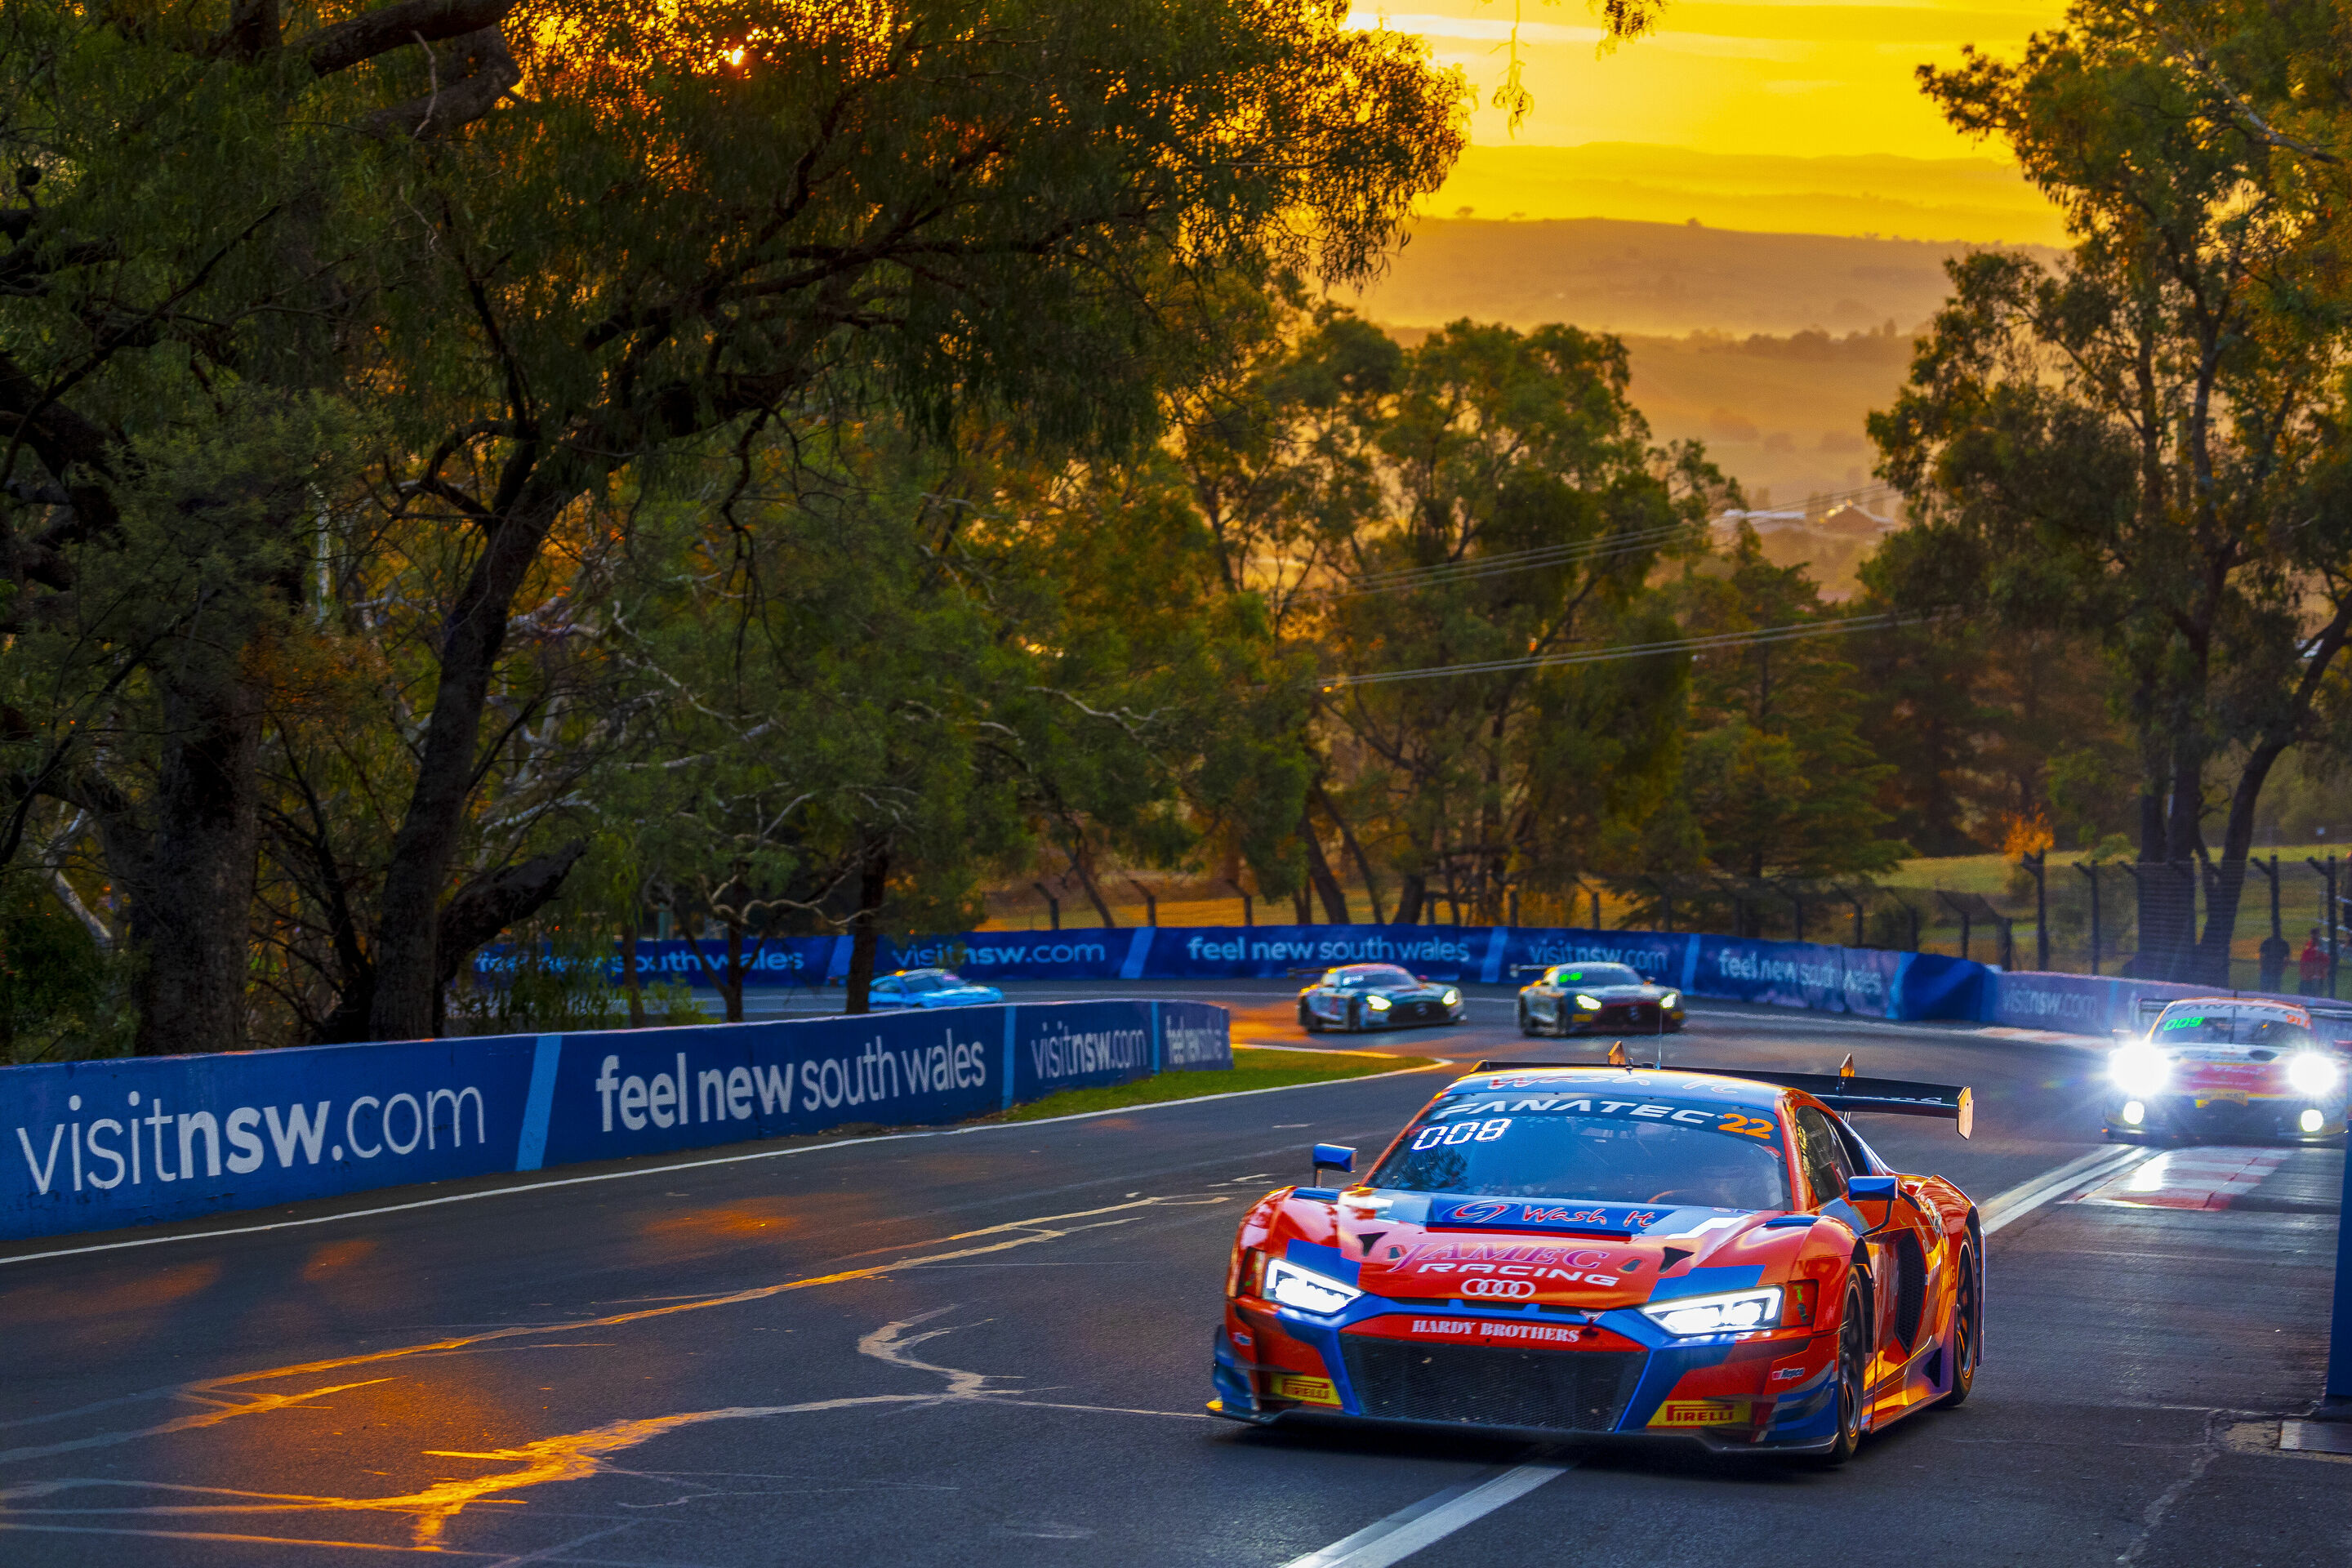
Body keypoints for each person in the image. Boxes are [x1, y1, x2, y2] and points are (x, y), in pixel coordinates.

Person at [2299, 928, 2331, 996]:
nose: (2314, 936)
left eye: (2316, 934)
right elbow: (2304, 959)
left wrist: (2323, 973)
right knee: (2304, 994)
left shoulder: (2323, 945)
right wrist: (2303, 973)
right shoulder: (2309, 944)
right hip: (2307, 975)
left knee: (2317, 995)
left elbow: (2326, 960)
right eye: (2312, 935)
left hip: (2318, 975)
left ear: (2319, 935)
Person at [2259, 929, 2292, 993]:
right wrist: (2284, 968)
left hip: (2273, 969)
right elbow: (2261, 955)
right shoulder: (2283, 943)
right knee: (2271, 989)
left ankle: (2266, 1000)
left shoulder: (2268, 941)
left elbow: (2287, 958)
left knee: (2271, 989)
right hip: (2271, 969)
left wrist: (2261, 965)